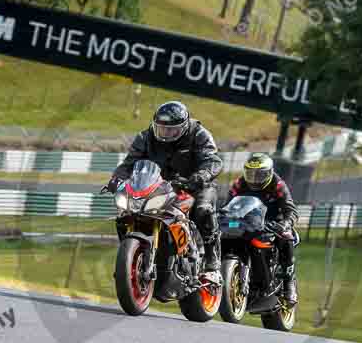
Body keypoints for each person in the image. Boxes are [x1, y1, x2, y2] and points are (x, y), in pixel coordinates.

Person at [107, 101, 223, 279]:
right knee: (125, 212)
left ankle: (212, 262)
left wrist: (201, 176)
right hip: (160, 187)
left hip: (194, 185)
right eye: (161, 128)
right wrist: (116, 180)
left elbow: (213, 160)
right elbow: (128, 164)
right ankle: (130, 257)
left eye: (171, 130)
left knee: (202, 210)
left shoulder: (198, 133)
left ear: (184, 127)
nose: (165, 133)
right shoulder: (145, 137)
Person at [228, 153, 300, 305]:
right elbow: (228, 206)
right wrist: (222, 217)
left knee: (286, 236)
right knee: (224, 234)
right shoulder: (239, 184)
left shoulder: (278, 184)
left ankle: (289, 284)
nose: (254, 178)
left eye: (259, 174)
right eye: (250, 173)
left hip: (273, 220)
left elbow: (290, 209)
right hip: (248, 221)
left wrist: (286, 223)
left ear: (269, 173)